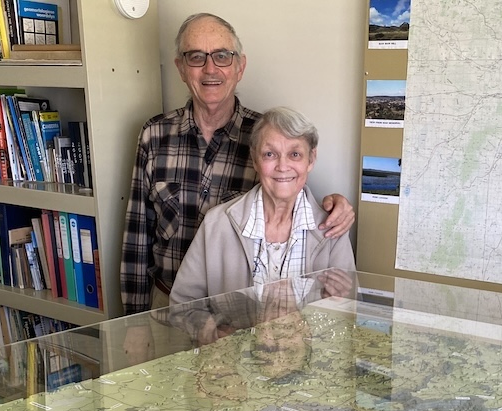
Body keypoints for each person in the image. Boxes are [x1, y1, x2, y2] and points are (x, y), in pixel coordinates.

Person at [119, 13, 355, 320]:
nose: (210, 69)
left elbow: (292, 189)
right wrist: (131, 322)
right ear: (180, 67)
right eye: (195, 57)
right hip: (168, 304)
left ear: (240, 66)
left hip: (239, 318)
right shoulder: (155, 134)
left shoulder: (265, 136)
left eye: (222, 56)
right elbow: (137, 232)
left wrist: (337, 204)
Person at [169, 107, 355, 346]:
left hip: (306, 371)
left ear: (312, 159)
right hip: (237, 371)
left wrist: (336, 303)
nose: (283, 166)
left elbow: (349, 315)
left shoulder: (332, 229)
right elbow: (183, 305)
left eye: (295, 154)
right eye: (270, 154)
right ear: (255, 159)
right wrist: (210, 330)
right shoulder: (218, 224)